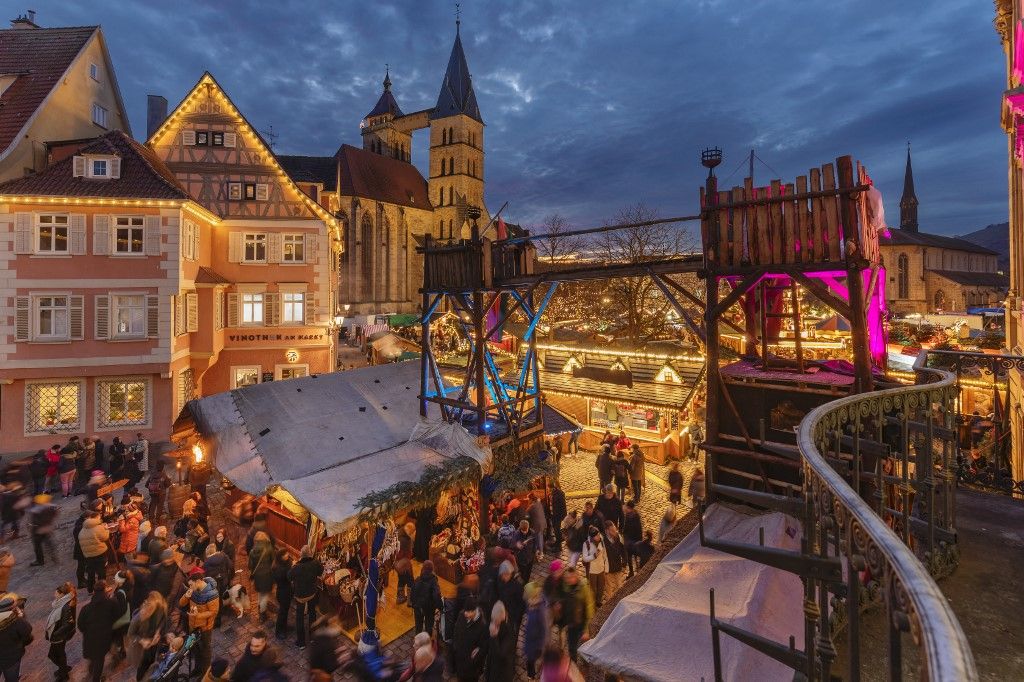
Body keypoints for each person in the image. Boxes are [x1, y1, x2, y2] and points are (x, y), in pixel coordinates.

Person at [179, 568, 220, 678]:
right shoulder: (192, 590)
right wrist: (186, 596)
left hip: (205, 628)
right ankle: (197, 670)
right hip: (193, 625)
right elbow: (181, 604)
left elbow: (213, 612)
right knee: (196, 650)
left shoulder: (212, 594)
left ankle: (204, 674)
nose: (190, 587)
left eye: (191, 585)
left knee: (205, 652)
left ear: (198, 581)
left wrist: (198, 615)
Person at [78, 580, 120, 682]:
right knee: (99, 659)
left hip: (90, 638)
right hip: (104, 638)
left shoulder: (85, 608)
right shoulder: (111, 603)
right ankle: (96, 679)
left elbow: (80, 626)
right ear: (105, 589)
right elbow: (117, 616)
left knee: (93, 657)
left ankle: (91, 671)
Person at [554, 567, 593, 662]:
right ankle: (573, 664)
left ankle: (585, 663)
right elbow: (558, 594)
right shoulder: (565, 585)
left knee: (584, 648)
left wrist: (586, 630)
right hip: (570, 623)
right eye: (567, 578)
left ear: (577, 576)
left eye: (571, 577)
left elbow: (589, 608)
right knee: (572, 648)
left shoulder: (583, 588)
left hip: (581, 623)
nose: (569, 580)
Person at [288, 544, 324, 650]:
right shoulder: (315, 563)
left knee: (299, 617)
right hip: (312, 593)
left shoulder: (297, 567)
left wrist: (293, 565)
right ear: (310, 554)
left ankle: (301, 642)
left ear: (301, 554)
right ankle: (313, 637)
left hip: (300, 595)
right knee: (312, 614)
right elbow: (320, 572)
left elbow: (289, 576)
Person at [126, 591, 167, 681]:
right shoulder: (139, 617)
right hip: (142, 649)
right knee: (142, 668)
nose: (151, 610)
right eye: (149, 607)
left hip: (154, 645)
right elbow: (130, 634)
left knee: (151, 663)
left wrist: (158, 632)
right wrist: (141, 640)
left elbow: (163, 621)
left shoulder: (161, 608)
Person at [45, 582, 77, 682]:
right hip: (57, 635)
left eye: (56, 593)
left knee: (55, 654)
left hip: (59, 636)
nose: (54, 595)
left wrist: (55, 633)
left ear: (62, 594)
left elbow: (67, 624)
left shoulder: (65, 607)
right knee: (57, 654)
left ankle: (64, 674)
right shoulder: (60, 604)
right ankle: (64, 669)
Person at [451, 596, 488, 681]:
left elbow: (484, 648)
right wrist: (456, 647)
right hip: (460, 663)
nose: (466, 614)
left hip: (472, 669)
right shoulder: (461, 615)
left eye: (469, 612)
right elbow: (456, 632)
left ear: (475, 610)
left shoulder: (482, 626)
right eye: (465, 611)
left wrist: (473, 660)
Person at [0, 593, 32, 681]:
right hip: (12, 658)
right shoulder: (17, 621)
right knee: (11, 679)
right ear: (13, 608)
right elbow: (27, 631)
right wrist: (21, 618)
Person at [522, 582, 549, 679]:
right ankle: (531, 675)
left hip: (535, 644)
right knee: (530, 662)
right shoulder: (530, 603)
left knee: (531, 662)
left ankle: (532, 677)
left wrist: (541, 646)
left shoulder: (540, 611)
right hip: (530, 639)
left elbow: (544, 629)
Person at [78, 510, 109, 591]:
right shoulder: (98, 527)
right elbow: (105, 537)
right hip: (100, 553)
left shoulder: (82, 530)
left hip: (88, 555)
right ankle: (102, 589)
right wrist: (106, 529)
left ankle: (90, 589)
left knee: (90, 572)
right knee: (101, 572)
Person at [248, 530, 275, 621]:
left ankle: (259, 607)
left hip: (257, 576)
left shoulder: (252, 551)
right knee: (265, 594)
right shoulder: (269, 548)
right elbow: (273, 562)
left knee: (260, 592)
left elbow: (250, 566)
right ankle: (262, 614)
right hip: (267, 575)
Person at [411, 560, 443, 637]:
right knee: (429, 625)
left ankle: (418, 640)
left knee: (418, 626)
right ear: (432, 569)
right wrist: (440, 606)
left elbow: (412, 593)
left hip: (418, 607)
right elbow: (437, 595)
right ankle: (427, 640)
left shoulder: (417, 579)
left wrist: (414, 605)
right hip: (429, 608)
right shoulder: (433, 581)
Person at [486, 601, 515, 682]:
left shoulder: (508, 631)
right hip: (493, 669)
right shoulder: (495, 625)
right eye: (493, 619)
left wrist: (494, 637)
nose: (493, 622)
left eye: (495, 620)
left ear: (501, 618)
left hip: (502, 674)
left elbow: (501, 655)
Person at [27, 493, 59, 567]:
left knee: (37, 546)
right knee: (49, 543)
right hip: (48, 528)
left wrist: (31, 526)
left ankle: (40, 561)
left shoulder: (36, 510)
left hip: (38, 530)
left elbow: (34, 521)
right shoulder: (51, 508)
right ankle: (54, 556)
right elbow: (55, 514)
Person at [495, 560, 525, 636]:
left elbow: (521, 604)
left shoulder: (517, 586)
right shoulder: (500, 581)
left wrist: (514, 616)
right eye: (503, 574)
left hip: (512, 615)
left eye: (507, 574)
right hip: (501, 612)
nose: (504, 577)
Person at [581, 528, 607, 607]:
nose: (599, 536)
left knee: (601, 586)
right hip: (592, 570)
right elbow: (585, 558)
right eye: (597, 535)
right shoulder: (586, 544)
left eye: (599, 534)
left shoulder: (601, 540)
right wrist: (594, 556)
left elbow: (604, 553)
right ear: (592, 537)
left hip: (601, 568)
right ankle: (592, 603)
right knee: (593, 588)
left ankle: (598, 601)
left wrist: (605, 565)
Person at [272, 549, 293, 638]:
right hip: (283, 592)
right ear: (281, 557)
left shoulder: (286, 563)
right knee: (282, 612)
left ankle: (284, 627)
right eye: (285, 554)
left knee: (285, 610)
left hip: (287, 591)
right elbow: (287, 577)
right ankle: (279, 631)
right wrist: (291, 567)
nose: (287, 554)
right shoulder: (278, 568)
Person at [603, 521, 627, 596]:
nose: (615, 532)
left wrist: (624, 562)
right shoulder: (603, 540)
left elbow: (623, 550)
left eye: (615, 529)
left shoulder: (618, 537)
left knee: (619, 587)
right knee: (609, 589)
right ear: (607, 530)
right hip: (608, 568)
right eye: (612, 530)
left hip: (617, 566)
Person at [621, 500, 643, 578]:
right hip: (633, 540)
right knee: (633, 556)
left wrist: (624, 534)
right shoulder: (634, 515)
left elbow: (627, 528)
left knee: (631, 556)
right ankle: (634, 571)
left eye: (627, 506)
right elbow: (639, 529)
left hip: (632, 540)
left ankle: (633, 572)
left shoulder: (631, 516)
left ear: (629, 507)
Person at [550, 482, 567, 549]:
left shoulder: (559, 494)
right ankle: (557, 541)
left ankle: (559, 546)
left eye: (549, 488)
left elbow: (563, 506)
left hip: (557, 515)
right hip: (553, 514)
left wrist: (563, 515)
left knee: (557, 529)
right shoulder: (552, 494)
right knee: (555, 529)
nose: (548, 490)